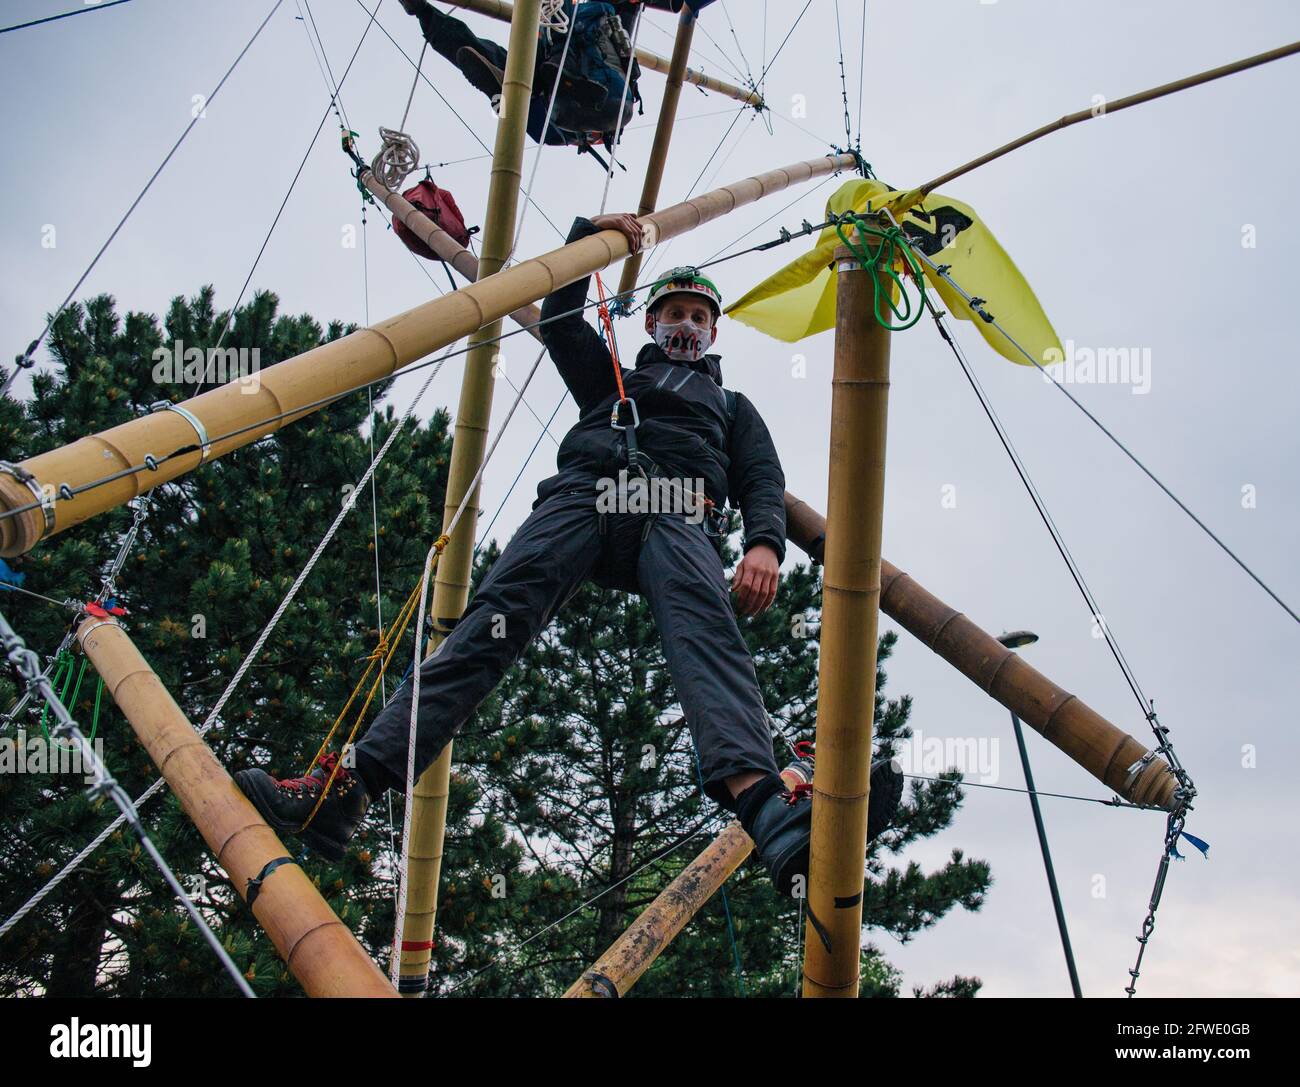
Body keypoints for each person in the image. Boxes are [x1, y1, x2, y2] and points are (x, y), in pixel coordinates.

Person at [234, 212, 904, 900]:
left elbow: (761, 476)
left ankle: (767, 805)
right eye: (672, 313)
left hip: (679, 508)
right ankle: (353, 783)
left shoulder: (731, 406)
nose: (684, 325)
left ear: (712, 329)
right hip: (587, 494)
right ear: (650, 324)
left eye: (697, 316)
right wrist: (588, 239)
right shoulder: (611, 378)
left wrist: (763, 540)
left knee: (704, 629)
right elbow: (560, 321)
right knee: (491, 620)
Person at [397, 0, 641, 152]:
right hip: (559, 119)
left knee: (551, 20)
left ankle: (423, 14)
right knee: (506, 62)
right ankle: (502, 93)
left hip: (587, 97)